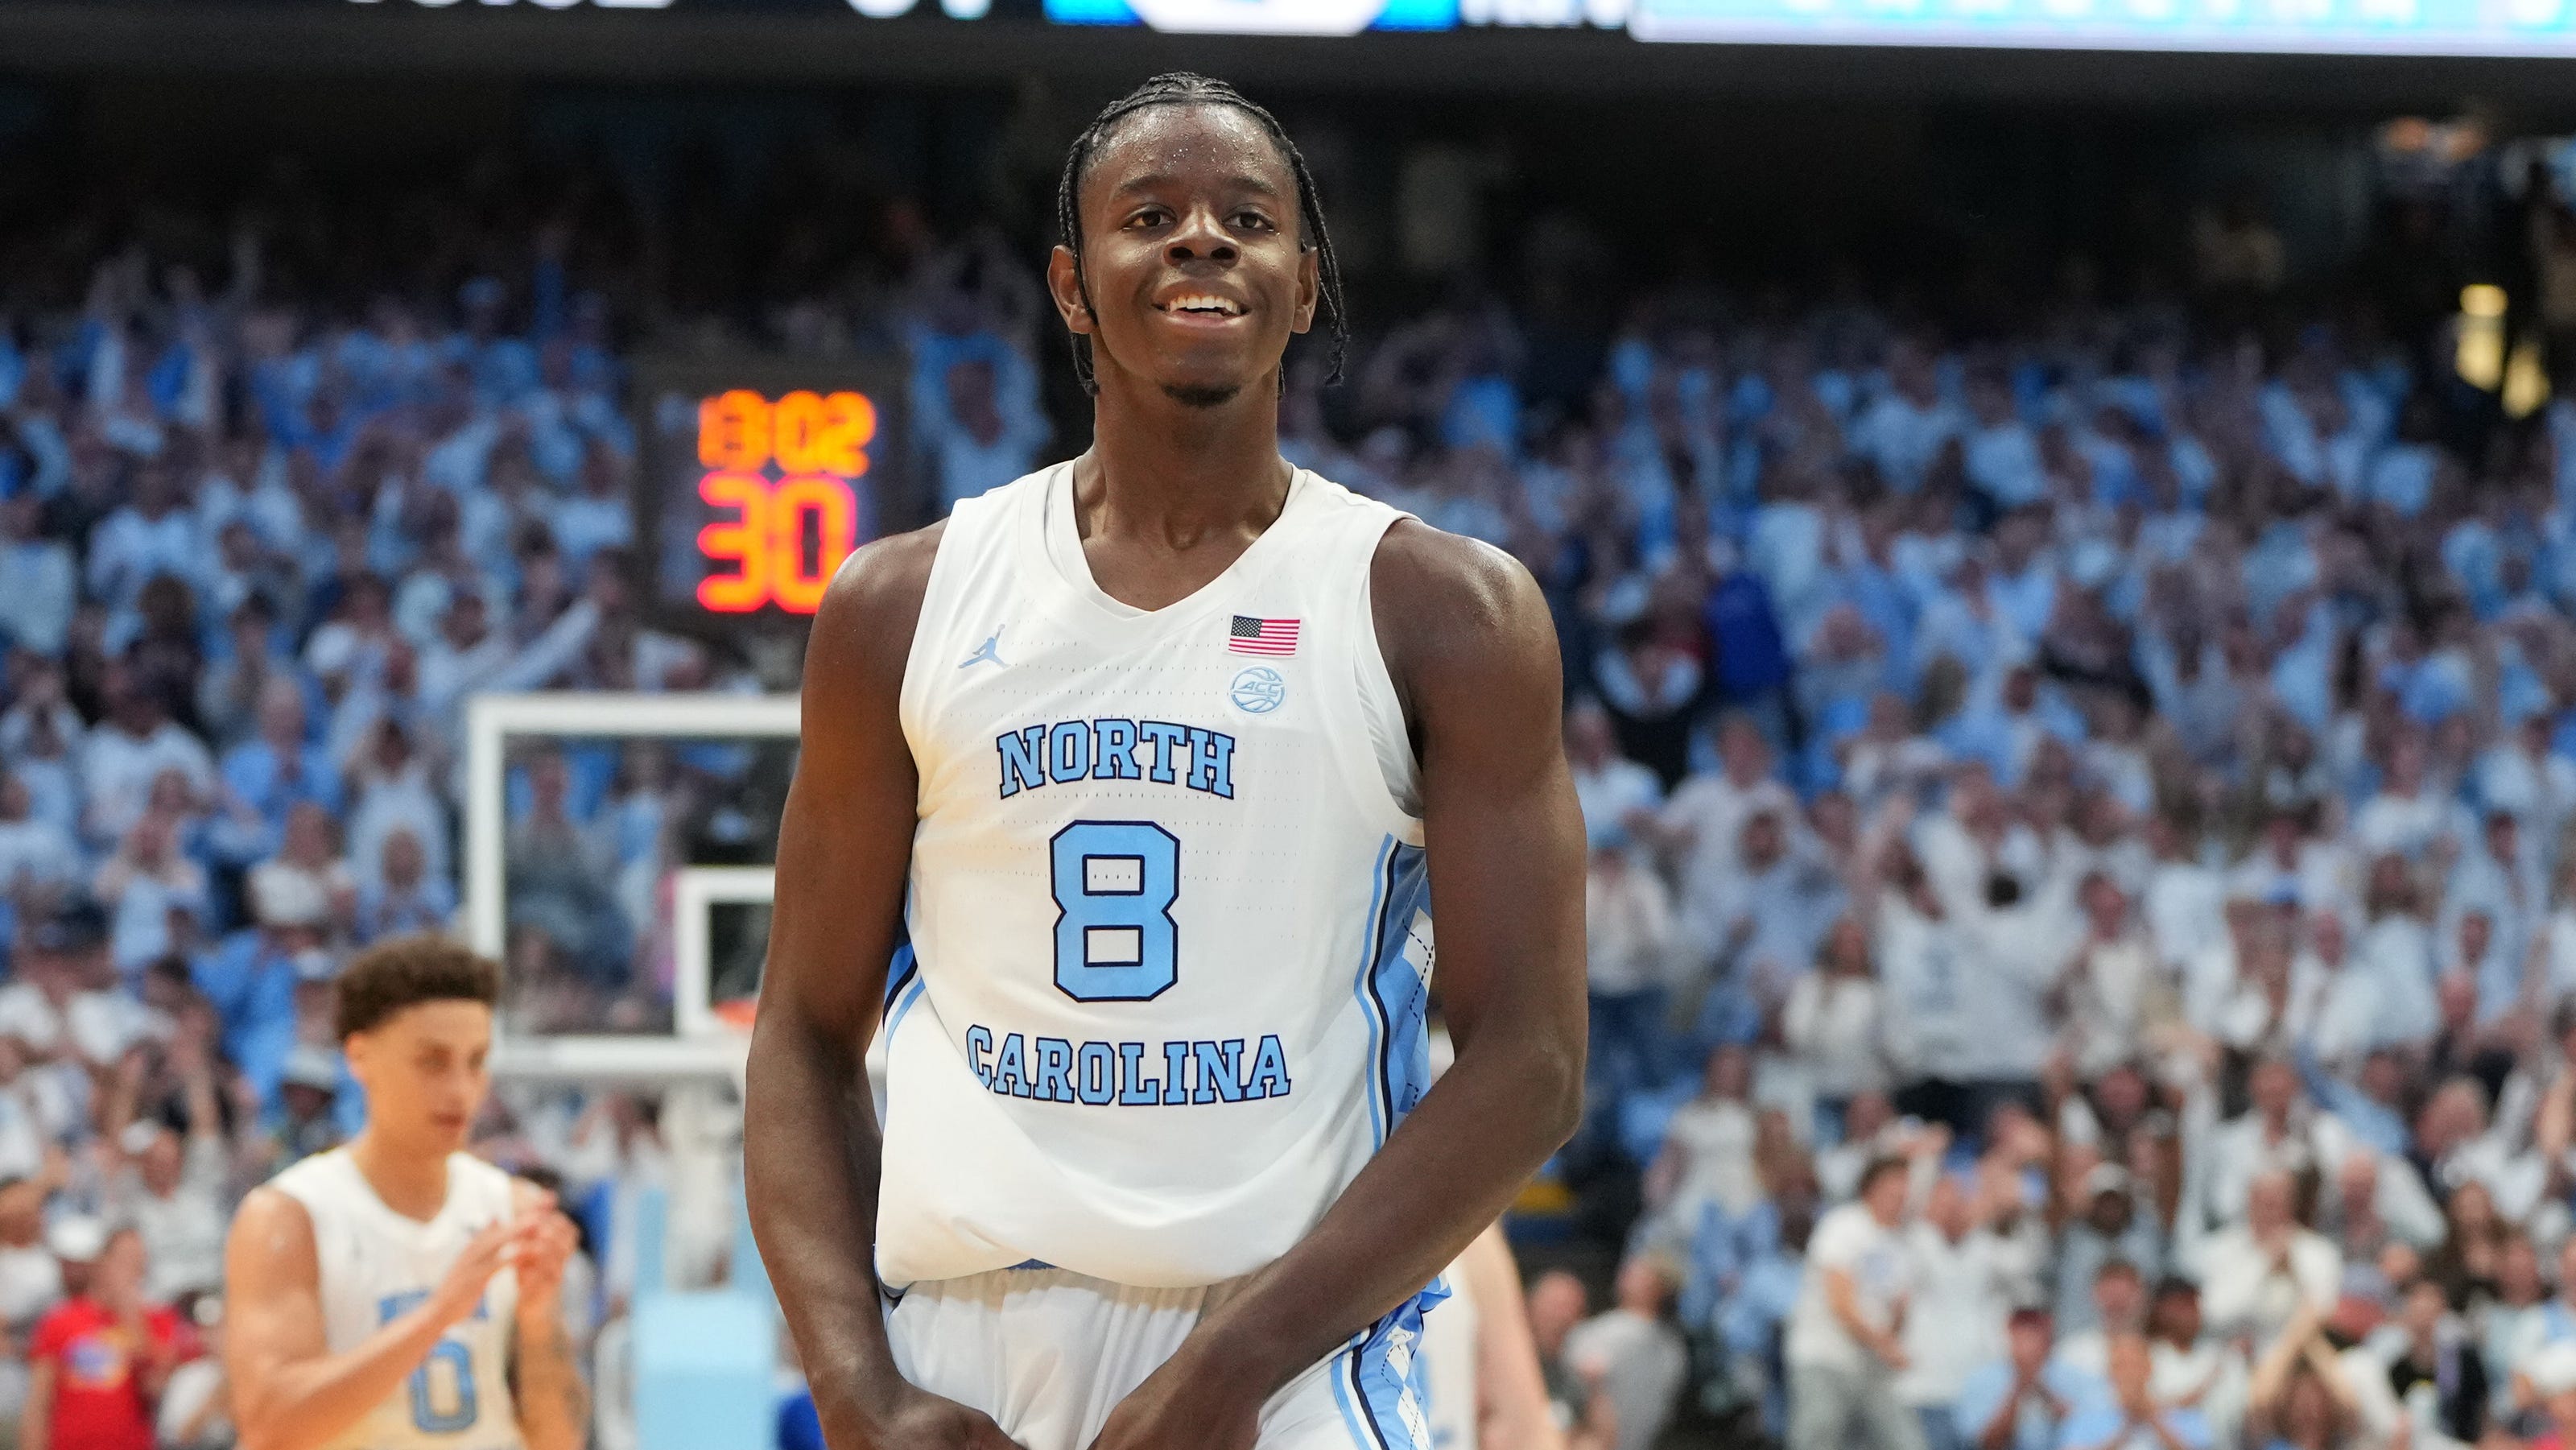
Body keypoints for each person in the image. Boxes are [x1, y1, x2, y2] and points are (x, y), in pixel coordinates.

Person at [742, 72, 1587, 1450]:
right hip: (967, 1343)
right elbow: (800, 1033)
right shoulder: (901, 603)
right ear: (1073, 288)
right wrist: (858, 1390)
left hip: (1290, 1341)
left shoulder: (1441, 611)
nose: (1203, 240)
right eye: (1153, 215)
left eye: (1246, 218)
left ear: (1305, 287)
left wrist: (1234, 1364)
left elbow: (1534, 1058)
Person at [220, 936, 585, 1450]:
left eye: (476, 1061)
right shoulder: (290, 1216)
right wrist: (438, 1315)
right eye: (433, 1062)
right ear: (360, 1056)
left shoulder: (512, 1206)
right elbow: (270, 1425)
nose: (461, 1090)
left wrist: (538, 1319)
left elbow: (560, 1440)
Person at [1787, 1155, 1923, 1450]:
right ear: (1872, 1187)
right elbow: (1841, 1302)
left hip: (1871, 1366)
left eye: (1905, 1184)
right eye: (1894, 1183)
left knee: (1906, 1442)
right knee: (1818, 1437)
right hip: (1825, 1356)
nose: (1901, 1192)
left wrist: (1894, 1336)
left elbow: (1898, 1307)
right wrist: (1884, 1345)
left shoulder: (1902, 1241)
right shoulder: (1844, 1225)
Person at [23, 1225, 189, 1450]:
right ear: (101, 1262)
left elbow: (155, 1387)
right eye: (124, 1260)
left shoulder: (159, 1320)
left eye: (138, 1261)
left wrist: (131, 1317)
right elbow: (39, 1402)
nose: (131, 1270)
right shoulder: (60, 1320)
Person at [1563, 1256, 1686, 1450]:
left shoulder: (1668, 1347)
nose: (1625, 1276)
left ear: (1659, 1287)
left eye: (1637, 1274)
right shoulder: (1675, 1348)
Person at [1955, 1308, 2099, 1450]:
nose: (2028, 1346)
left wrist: (2044, 1391)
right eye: (2022, 1338)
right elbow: (1987, 1442)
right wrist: (2018, 1388)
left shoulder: (2071, 1375)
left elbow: (2090, 1432)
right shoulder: (1983, 1380)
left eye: (2034, 1336)